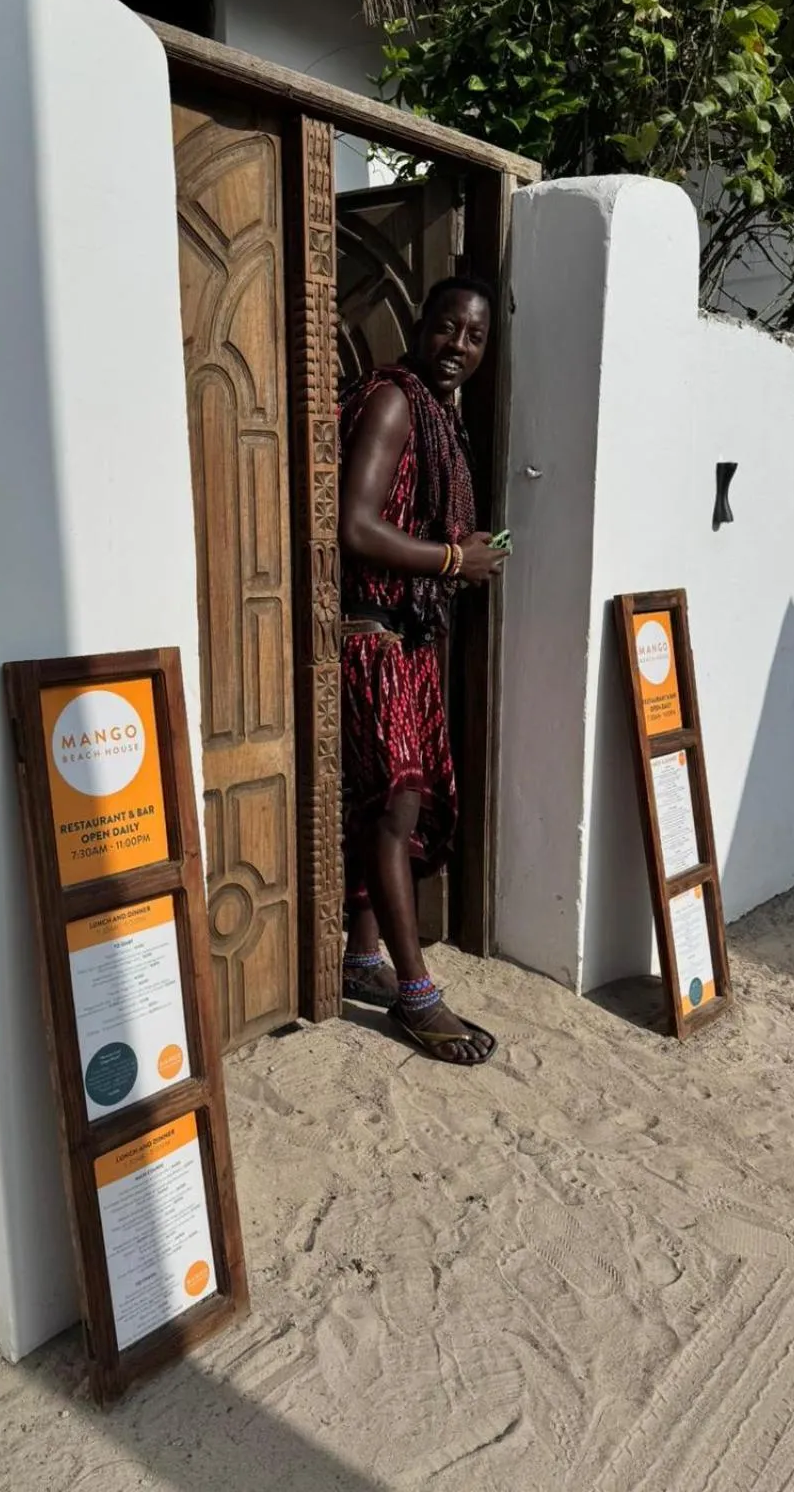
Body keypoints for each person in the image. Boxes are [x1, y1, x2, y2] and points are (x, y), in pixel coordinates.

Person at [338, 276, 505, 1067]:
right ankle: (416, 996)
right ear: (419, 324)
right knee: (394, 808)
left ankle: (364, 958)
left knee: (398, 805)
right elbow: (355, 525)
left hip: (407, 637)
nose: (458, 348)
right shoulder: (394, 403)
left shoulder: (442, 417)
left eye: (473, 338)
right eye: (447, 329)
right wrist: (450, 559)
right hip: (370, 637)